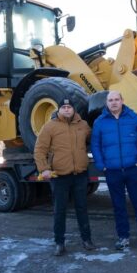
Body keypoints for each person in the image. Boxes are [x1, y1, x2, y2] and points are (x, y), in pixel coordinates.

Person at [91, 91, 137, 250]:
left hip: (132, 169)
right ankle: (123, 237)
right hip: (112, 171)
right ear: (106, 103)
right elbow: (95, 145)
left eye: (116, 99)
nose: (113, 102)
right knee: (118, 206)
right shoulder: (100, 122)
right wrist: (102, 165)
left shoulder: (133, 117)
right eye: (110, 100)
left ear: (122, 101)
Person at [34, 98, 95, 256]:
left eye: (69, 107)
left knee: (82, 208)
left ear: (74, 110)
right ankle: (59, 243)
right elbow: (40, 149)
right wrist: (44, 169)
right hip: (59, 176)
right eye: (64, 107)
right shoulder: (50, 127)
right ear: (59, 110)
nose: (67, 110)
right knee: (60, 210)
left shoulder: (83, 126)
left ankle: (87, 240)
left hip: (80, 175)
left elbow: (94, 140)